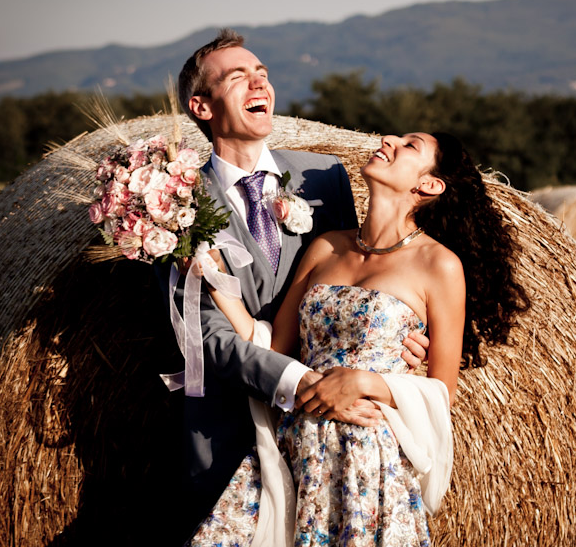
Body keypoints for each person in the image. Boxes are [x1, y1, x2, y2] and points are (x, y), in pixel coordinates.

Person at [190, 130, 530, 545]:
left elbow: (441, 391)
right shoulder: (326, 247)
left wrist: (367, 382)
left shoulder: (439, 265)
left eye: (409, 145)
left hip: (369, 460)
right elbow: (274, 347)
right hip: (294, 449)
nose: (388, 139)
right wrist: (213, 278)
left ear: (429, 185)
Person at [168, 29, 429, 535]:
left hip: (336, 439)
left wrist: (409, 339)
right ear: (201, 106)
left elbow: (368, 276)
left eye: (261, 72)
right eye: (237, 76)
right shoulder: (173, 204)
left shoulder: (323, 178)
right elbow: (205, 338)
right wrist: (304, 384)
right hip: (229, 433)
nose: (258, 82)